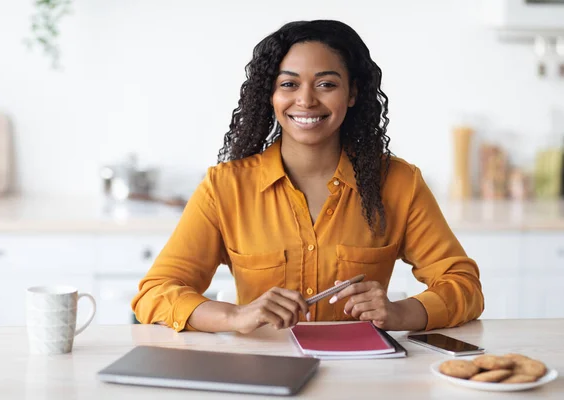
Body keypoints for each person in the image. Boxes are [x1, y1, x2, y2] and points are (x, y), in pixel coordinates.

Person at [131, 20, 484, 334]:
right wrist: (236, 316)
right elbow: (156, 292)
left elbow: (464, 285)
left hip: (365, 376)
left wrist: (400, 312)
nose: (306, 100)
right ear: (270, 96)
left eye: (326, 84)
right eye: (288, 84)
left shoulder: (399, 184)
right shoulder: (225, 188)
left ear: (353, 93)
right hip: (264, 376)